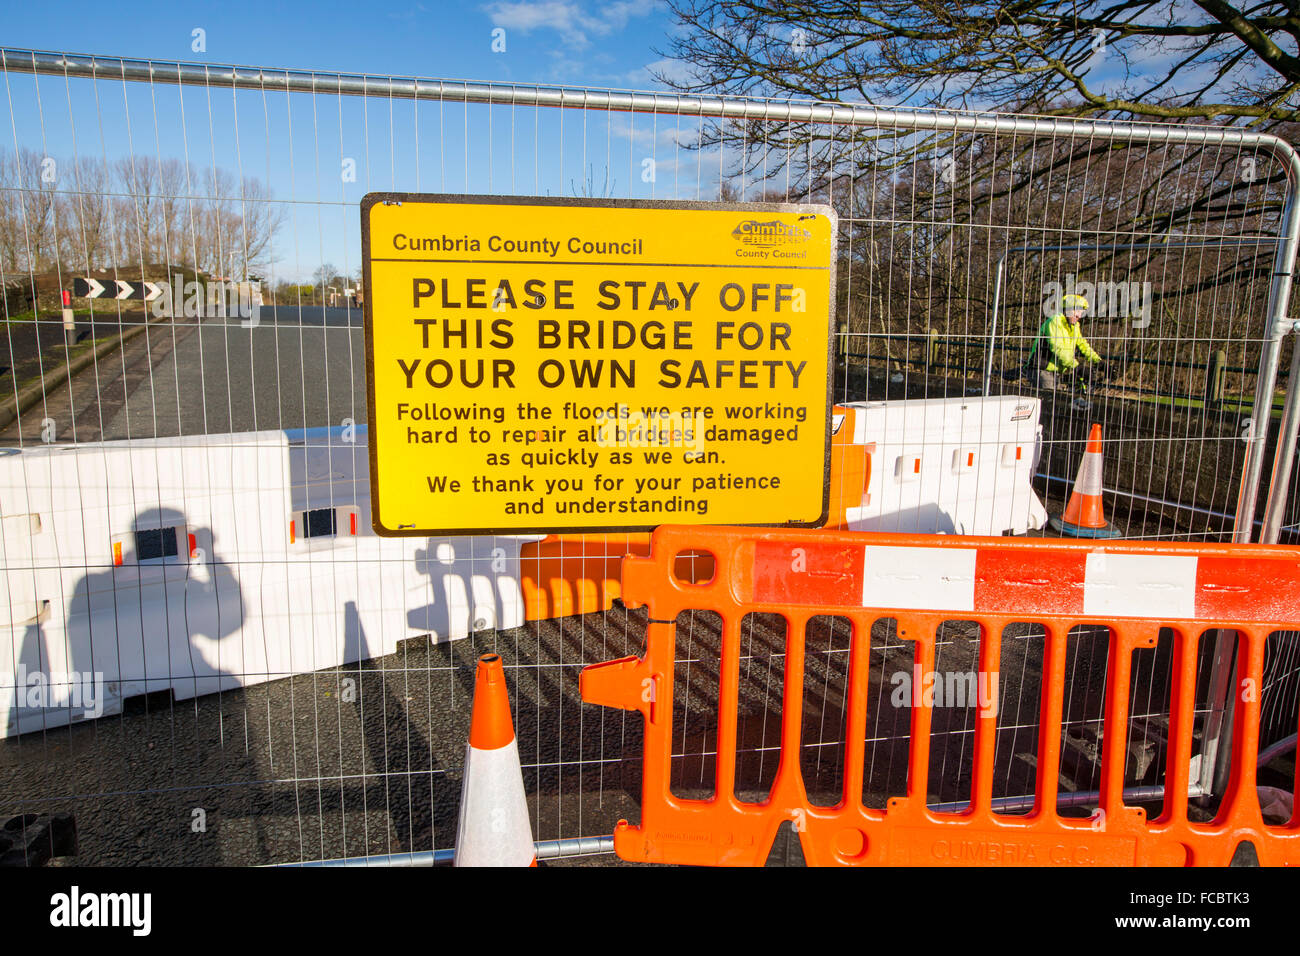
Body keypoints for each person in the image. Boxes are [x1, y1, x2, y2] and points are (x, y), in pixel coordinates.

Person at [1026, 293, 1106, 408]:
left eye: (1081, 313)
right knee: (1049, 405)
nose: (1079, 315)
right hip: (1041, 369)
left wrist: (1099, 362)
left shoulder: (1074, 326)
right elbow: (1059, 349)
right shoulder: (1055, 322)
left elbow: (1083, 345)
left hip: (1055, 372)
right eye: (1076, 311)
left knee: (1056, 403)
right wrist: (1078, 367)